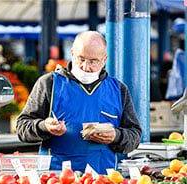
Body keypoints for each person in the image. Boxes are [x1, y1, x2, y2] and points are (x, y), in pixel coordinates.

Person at [16, 31, 142, 174]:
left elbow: (135, 135)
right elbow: (22, 128)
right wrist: (44, 126)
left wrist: (116, 136)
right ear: (72, 53)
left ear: (104, 59)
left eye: (93, 61)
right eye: (81, 59)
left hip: (104, 182)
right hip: (55, 180)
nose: (85, 66)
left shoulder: (119, 89)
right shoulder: (49, 83)